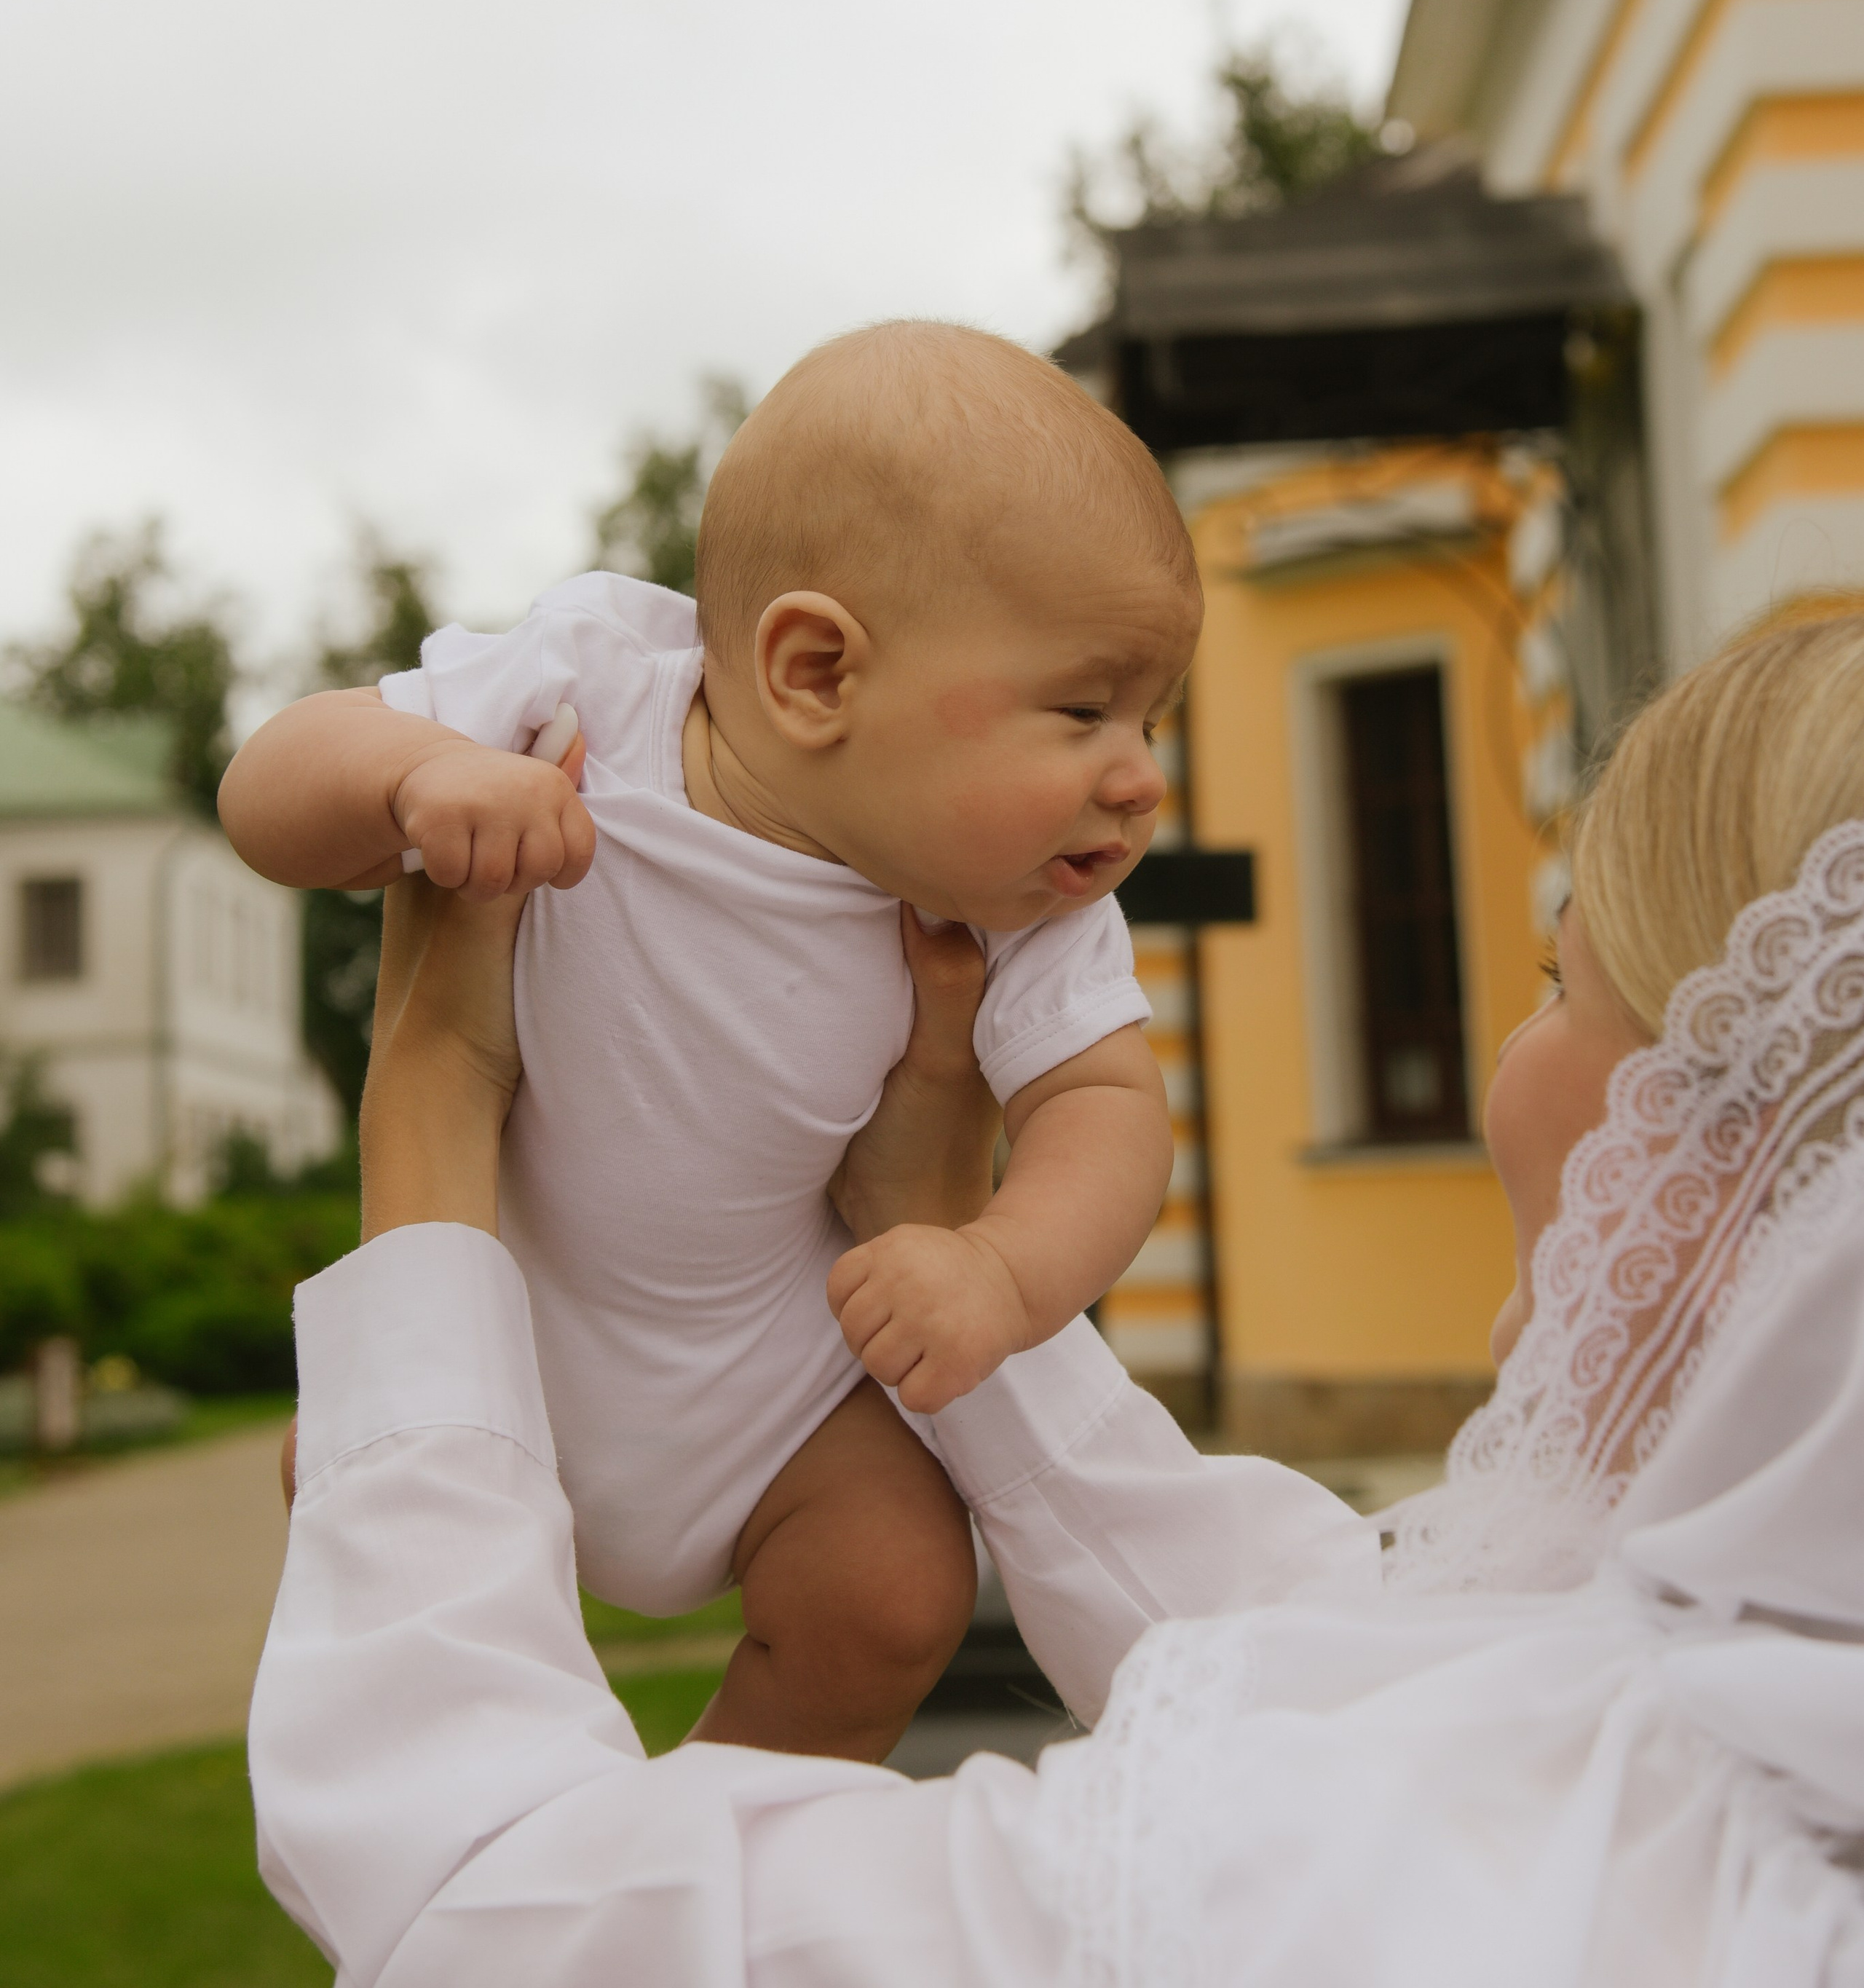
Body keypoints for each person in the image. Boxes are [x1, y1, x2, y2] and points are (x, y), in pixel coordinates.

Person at [253, 603, 1864, 1984]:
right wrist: (938, 1234)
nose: (1512, 1053)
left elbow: (485, 1916)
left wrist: (432, 1112)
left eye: (1559, 982)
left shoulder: (1460, 1859)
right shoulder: (1742, 1726)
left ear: (1735, 1134)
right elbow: (1331, 1634)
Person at [221, 322, 1201, 1758]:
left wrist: (999, 1265)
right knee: (375, 1497)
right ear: (816, 671)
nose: (1140, 777)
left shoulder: (1014, 904)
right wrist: (419, 775)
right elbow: (266, 789)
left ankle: (722, 1827)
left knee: (893, 1591)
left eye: (1154, 719)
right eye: (1085, 708)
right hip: (512, 1351)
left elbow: (1107, 1111)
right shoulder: (589, 692)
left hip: (781, 1396)